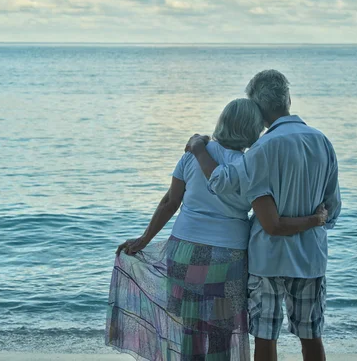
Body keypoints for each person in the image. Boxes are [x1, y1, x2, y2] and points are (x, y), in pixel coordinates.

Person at [106, 98, 328, 361]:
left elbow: (169, 203)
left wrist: (144, 239)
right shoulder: (250, 166)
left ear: (222, 121)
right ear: (254, 130)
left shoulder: (191, 155)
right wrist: (313, 219)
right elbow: (268, 216)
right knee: (221, 333)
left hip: (183, 252)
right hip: (227, 258)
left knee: (190, 330)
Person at [186, 70, 342, 361]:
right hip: (311, 257)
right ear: (288, 100)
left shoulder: (261, 149)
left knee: (265, 338)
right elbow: (332, 211)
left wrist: (198, 148)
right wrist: (314, 220)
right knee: (311, 337)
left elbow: (222, 182)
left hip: (267, 259)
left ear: (256, 108)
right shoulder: (322, 142)